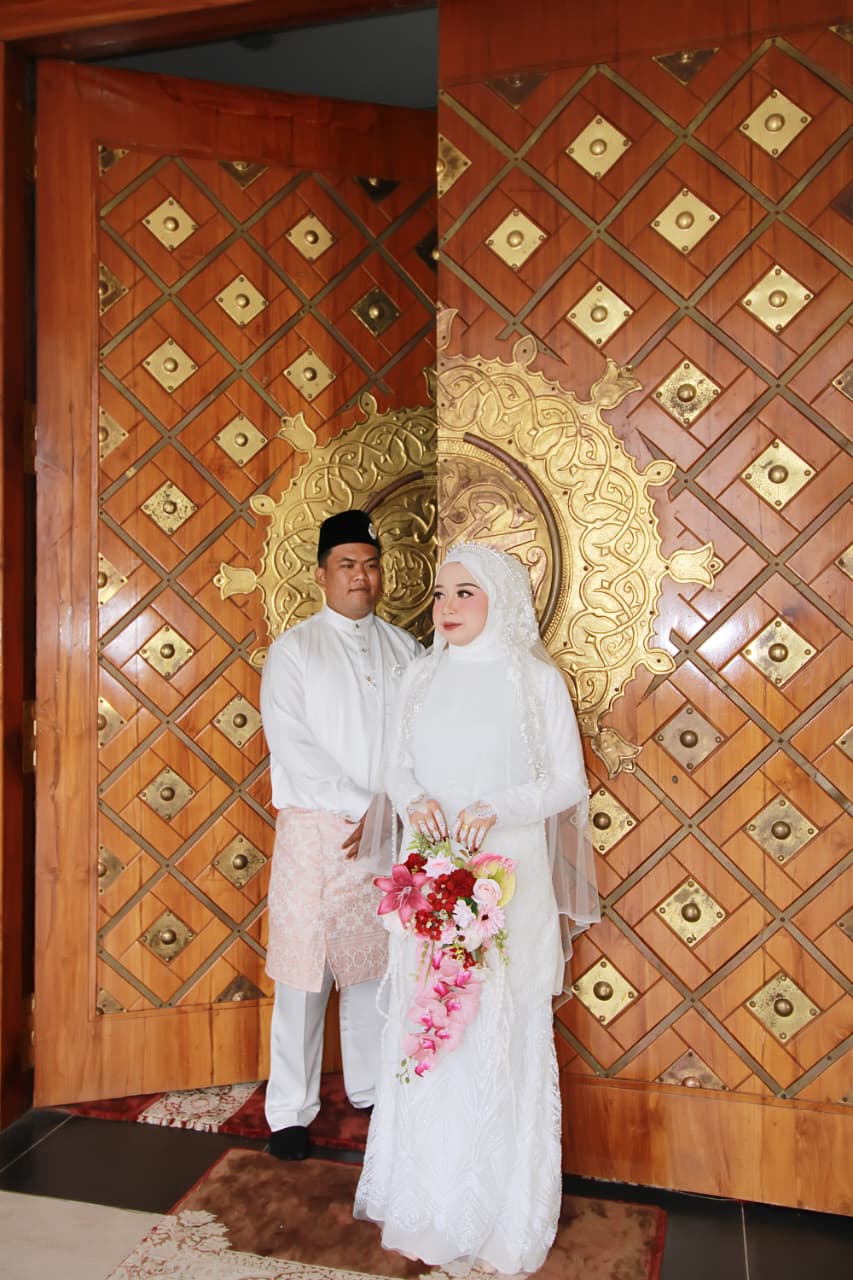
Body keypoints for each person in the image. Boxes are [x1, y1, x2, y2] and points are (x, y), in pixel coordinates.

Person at [354, 542, 600, 1275]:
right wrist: (413, 799)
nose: (447, 607)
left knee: (497, 1027)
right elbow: (395, 766)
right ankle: (428, 1204)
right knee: (431, 1028)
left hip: (508, 881)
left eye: (465, 592)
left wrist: (499, 807)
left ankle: (500, 1213)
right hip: (429, 876)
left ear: (503, 598)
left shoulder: (534, 680)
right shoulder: (420, 677)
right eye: (439, 593)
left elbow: (567, 781)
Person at [260, 509, 422, 1161]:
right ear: (322, 574)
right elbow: (293, 746)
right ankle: (289, 1112)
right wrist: (364, 807)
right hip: (316, 831)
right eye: (347, 564)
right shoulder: (295, 650)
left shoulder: (406, 650)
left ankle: (372, 1091)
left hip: (386, 829)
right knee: (304, 974)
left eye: (371, 564)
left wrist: (394, 809)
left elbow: (418, 740)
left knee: (372, 967)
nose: (361, 576)